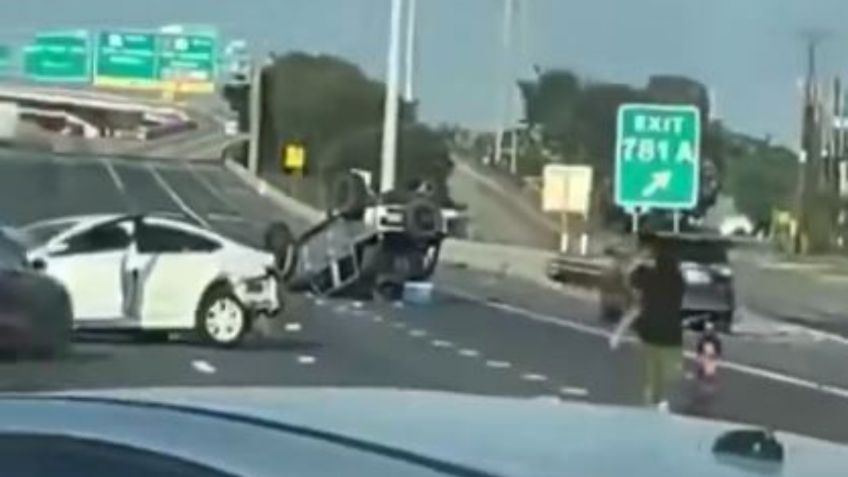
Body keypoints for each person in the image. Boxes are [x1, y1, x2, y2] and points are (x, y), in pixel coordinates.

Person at [610, 235, 685, 411]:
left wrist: (618, 333)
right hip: (672, 335)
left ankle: (653, 402)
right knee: (668, 375)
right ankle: (660, 401)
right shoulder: (678, 281)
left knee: (653, 375)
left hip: (651, 333)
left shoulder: (649, 277)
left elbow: (631, 287)